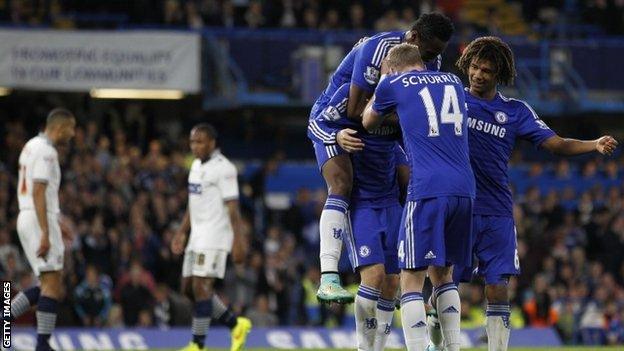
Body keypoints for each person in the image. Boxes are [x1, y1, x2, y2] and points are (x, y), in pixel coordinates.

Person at [420, 36, 618, 351]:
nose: (477, 74)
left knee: (498, 288)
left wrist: (593, 144)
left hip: (497, 210)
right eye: (474, 66)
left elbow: (557, 144)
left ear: (499, 75)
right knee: (445, 282)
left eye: (486, 69)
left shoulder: (515, 112)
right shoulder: (452, 98)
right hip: (458, 205)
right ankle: (436, 341)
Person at [307, 12, 455, 304]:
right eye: (427, 53)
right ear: (413, 38)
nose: (429, 63)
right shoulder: (375, 49)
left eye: (436, 56)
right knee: (342, 183)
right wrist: (336, 137)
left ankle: (417, 271)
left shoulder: (430, 62)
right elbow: (352, 112)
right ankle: (329, 276)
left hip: (380, 124)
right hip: (340, 123)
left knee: (410, 179)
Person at [363, 43, 475, 351]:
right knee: (444, 274)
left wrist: (384, 88)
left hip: (427, 187)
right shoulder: (452, 80)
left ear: (395, 67)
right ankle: (452, 346)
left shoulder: (393, 82)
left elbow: (367, 121)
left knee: (410, 277)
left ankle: (417, 347)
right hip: (465, 188)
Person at [314, 81, 407, 350]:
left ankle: (377, 347)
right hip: (363, 204)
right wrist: (336, 137)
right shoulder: (347, 102)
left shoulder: (395, 102)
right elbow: (316, 125)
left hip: (392, 202)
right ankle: (364, 348)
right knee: (375, 276)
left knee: (391, 282)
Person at [171, 123, 252, 351]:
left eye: (199, 142)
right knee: (187, 288)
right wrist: (182, 231)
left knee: (201, 286)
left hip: (215, 236)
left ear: (212, 143)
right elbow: (193, 202)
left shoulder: (224, 169)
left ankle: (197, 345)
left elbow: (233, 208)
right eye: (192, 142)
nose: (194, 146)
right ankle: (236, 325)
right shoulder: (195, 166)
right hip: (196, 235)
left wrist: (239, 240)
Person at [9, 108, 76, 351]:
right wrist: (47, 231)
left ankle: (14, 326)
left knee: (49, 284)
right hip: (38, 218)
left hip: (27, 215)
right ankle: (42, 346)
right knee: (52, 286)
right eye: (71, 128)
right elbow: (38, 190)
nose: (73, 133)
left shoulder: (30, 145)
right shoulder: (47, 151)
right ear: (59, 128)